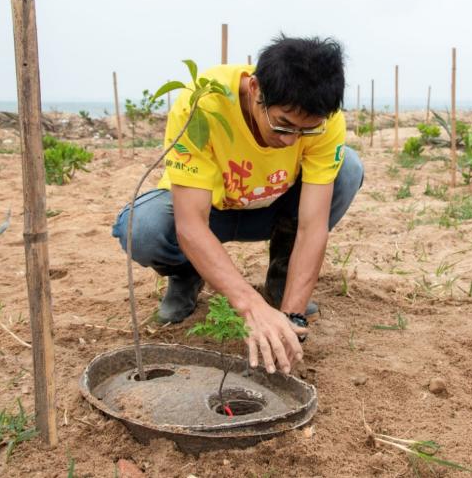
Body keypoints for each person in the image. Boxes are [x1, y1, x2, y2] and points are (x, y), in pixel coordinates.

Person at [112, 35, 363, 376]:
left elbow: (312, 226)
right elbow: (191, 225)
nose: (290, 140)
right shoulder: (203, 105)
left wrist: (291, 319)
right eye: (283, 124)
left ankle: (280, 282)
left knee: (347, 169)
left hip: (271, 211)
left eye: (306, 131)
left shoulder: (323, 121)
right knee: (142, 228)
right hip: (209, 213)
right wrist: (250, 306)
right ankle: (188, 273)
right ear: (256, 89)